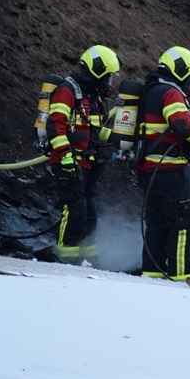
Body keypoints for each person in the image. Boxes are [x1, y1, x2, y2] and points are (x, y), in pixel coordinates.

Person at [45, 44, 120, 265]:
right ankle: (63, 259)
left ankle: (89, 260)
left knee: (89, 215)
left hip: (88, 164)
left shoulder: (92, 97)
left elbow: (93, 131)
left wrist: (120, 138)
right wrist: (65, 154)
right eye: (108, 77)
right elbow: (55, 125)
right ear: (97, 72)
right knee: (75, 210)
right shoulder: (67, 91)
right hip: (68, 162)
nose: (109, 83)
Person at [137, 46, 190, 283]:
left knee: (156, 223)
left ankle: (152, 274)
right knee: (183, 224)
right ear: (181, 71)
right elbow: (182, 125)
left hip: (149, 169)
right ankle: (182, 277)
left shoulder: (150, 90)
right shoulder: (171, 93)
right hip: (170, 169)